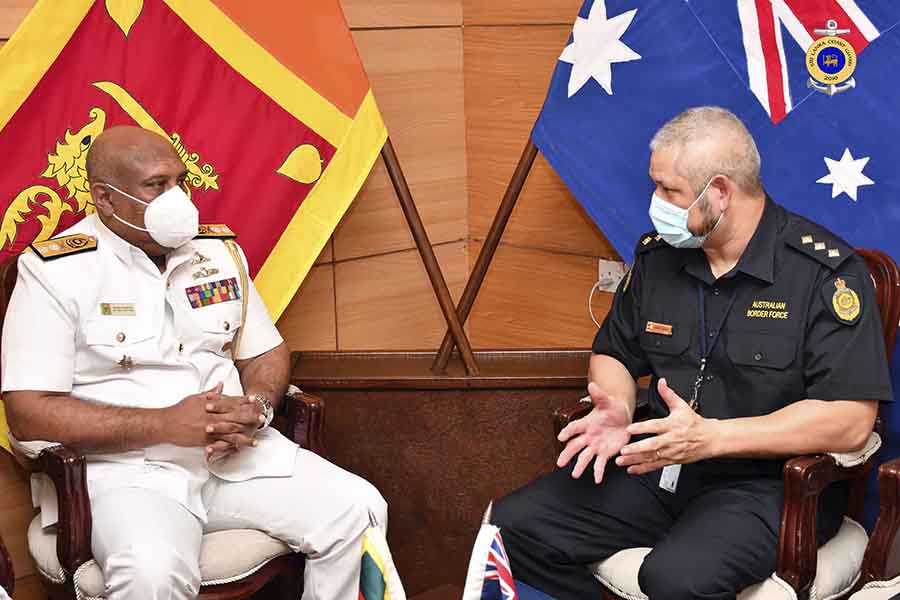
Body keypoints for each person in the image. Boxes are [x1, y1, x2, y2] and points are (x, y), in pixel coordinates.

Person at [489, 107, 893, 600]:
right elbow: (613, 351)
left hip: (769, 488)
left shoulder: (823, 274)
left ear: (720, 193)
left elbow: (850, 420)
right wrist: (615, 407)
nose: (655, 202)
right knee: (509, 530)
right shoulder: (660, 259)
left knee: (674, 579)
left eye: (669, 191)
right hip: (657, 467)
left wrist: (712, 438)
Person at [1, 126, 392, 600]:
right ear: (104, 198)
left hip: (235, 457)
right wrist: (166, 424)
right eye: (156, 186)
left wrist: (258, 406)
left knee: (359, 509)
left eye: (180, 181)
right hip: (127, 475)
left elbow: (266, 352)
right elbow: (28, 412)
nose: (178, 199)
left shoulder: (217, 251)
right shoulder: (55, 271)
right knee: (153, 571)